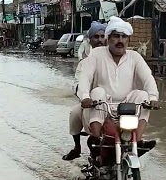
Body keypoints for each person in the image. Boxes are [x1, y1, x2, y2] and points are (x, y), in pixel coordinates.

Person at [77, 17, 159, 155]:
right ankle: (97, 141)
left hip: (127, 108)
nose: (120, 40)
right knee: (97, 91)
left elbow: (148, 78)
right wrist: (85, 97)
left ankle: (137, 142)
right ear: (108, 39)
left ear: (128, 40)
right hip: (103, 106)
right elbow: (85, 77)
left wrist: (153, 98)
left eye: (124, 37)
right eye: (116, 36)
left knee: (143, 96)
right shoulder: (97, 54)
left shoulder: (135, 57)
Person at [61, 21, 107, 161]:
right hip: (93, 103)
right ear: (90, 40)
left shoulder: (116, 59)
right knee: (75, 113)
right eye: (96, 37)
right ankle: (77, 147)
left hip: (114, 103)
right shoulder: (85, 63)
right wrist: (84, 96)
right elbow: (78, 84)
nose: (99, 40)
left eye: (102, 36)